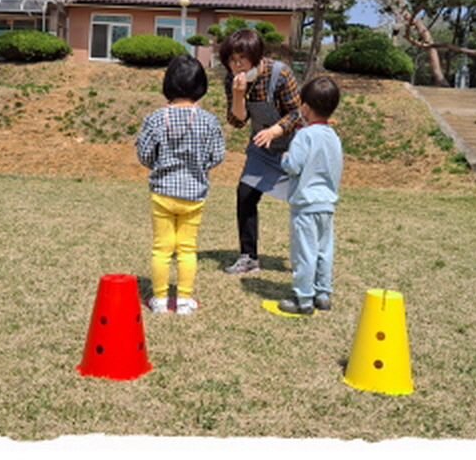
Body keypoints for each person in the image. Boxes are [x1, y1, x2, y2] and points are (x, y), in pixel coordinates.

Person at [136, 54, 226, 314]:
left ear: (168, 84)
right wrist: (200, 168)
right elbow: (217, 155)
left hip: (162, 193)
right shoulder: (209, 121)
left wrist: (158, 165)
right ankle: (185, 300)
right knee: (188, 248)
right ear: (200, 87)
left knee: (161, 249)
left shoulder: (154, 119)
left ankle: (160, 300)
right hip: (194, 194)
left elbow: (144, 154)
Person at [220, 28, 301, 274]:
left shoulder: (281, 73)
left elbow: (297, 114)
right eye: (231, 60)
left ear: (256, 56)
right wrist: (237, 94)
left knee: (303, 205)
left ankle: (307, 259)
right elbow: (238, 121)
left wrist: (276, 131)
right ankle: (249, 257)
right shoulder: (231, 80)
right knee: (245, 195)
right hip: (261, 149)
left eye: (241, 59)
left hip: (294, 148)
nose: (236, 65)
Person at [277, 76, 343, 315]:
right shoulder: (333, 136)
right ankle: (322, 294)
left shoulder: (304, 135)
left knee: (304, 252)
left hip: (305, 205)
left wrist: (285, 157)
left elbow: (294, 165)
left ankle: (303, 299)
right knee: (324, 250)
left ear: (305, 107)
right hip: (326, 204)